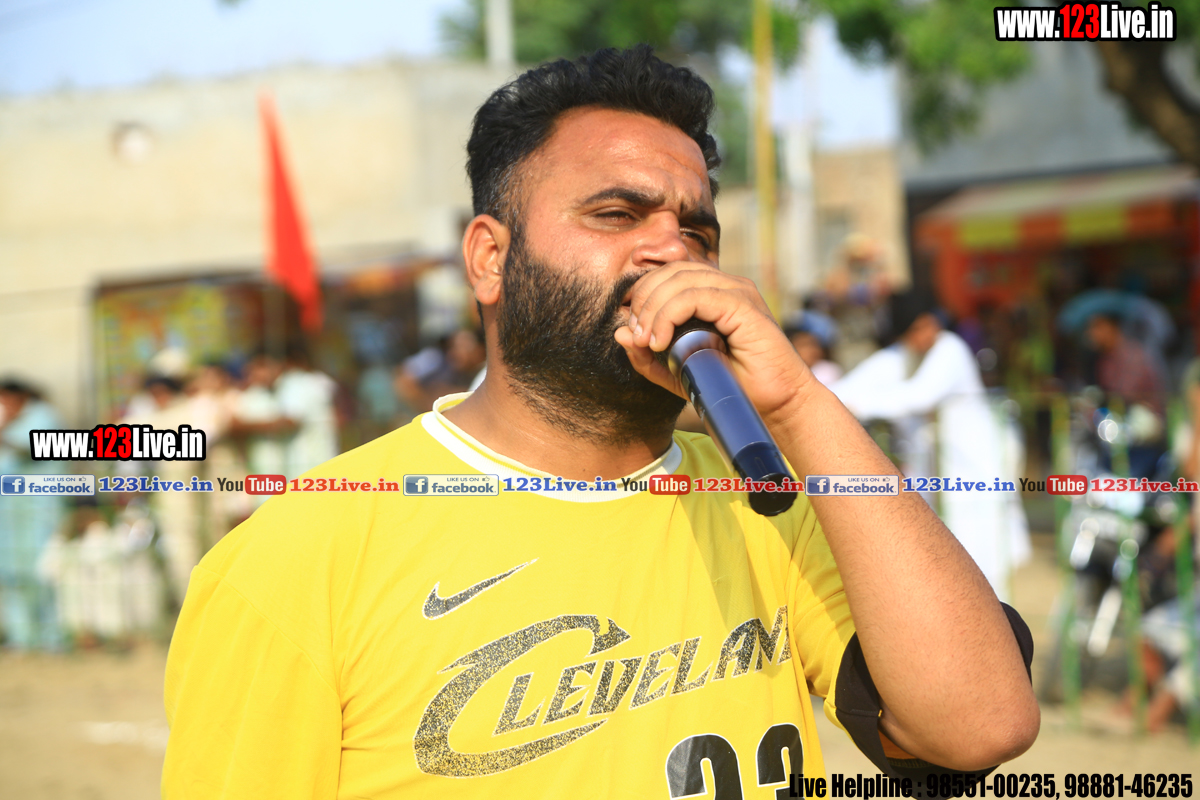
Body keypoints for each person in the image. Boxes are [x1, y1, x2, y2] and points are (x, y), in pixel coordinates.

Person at [163, 47, 1038, 797]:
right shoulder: (298, 553)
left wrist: (797, 404)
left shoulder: (768, 499)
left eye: (698, 232)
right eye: (616, 215)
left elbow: (980, 727)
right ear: (490, 258)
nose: (669, 250)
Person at [833, 291, 1031, 602]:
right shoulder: (900, 356)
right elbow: (845, 390)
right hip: (929, 479)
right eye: (917, 328)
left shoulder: (950, 349)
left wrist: (860, 404)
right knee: (936, 569)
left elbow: (919, 397)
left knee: (982, 564)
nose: (927, 333)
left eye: (929, 324)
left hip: (970, 474)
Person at [0, 378, 65, 651]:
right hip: (11, 513)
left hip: (40, 508)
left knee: (44, 571)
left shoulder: (43, 416)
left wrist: (4, 429)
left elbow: (32, 450)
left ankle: (53, 636)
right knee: (13, 574)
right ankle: (22, 637)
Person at [1086, 311, 1168, 478]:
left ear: (1112, 328)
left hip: (1145, 424)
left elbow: (1124, 393)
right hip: (1119, 421)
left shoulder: (1133, 354)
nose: (1091, 333)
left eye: (1097, 327)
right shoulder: (1104, 359)